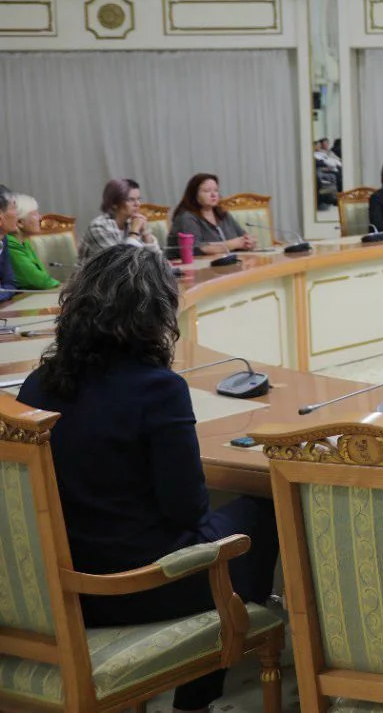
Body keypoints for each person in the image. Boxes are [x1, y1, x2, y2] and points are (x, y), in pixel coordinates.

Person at [17, 245, 280, 713]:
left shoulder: (37, 384)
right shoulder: (158, 389)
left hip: (56, 591)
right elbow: (188, 508)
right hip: (137, 588)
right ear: (156, 314)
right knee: (263, 510)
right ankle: (197, 696)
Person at [169, 173, 259, 257]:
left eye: (216, 190)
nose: (213, 194)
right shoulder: (187, 217)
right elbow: (195, 249)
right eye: (207, 191)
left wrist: (249, 242)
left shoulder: (223, 214)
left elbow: (242, 237)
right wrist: (232, 244)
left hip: (229, 264)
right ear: (194, 194)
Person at [80, 177, 159, 261]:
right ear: (114, 203)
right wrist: (134, 233)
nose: (137, 204)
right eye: (131, 200)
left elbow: (156, 259)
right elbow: (119, 263)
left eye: (138, 199)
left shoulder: (132, 222)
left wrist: (145, 232)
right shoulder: (98, 227)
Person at [4, 192, 59, 290]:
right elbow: (37, 281)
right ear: (19, 222)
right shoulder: (10, 244)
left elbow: (42, 275)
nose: (40, 218)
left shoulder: (23, 242)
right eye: (35, 214)